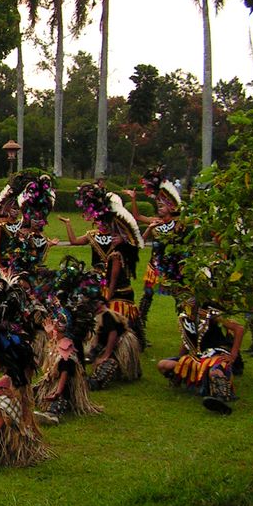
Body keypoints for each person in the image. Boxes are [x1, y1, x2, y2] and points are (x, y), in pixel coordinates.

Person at [0, 270, 51, 470]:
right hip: (17, 380)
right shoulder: (11, 337)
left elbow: (7, 415)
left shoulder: (17, 342)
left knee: (4, 404)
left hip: (15, 400)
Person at [60, 184, 147, 348]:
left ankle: (133, 339)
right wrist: (68, 224)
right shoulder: (92, 235)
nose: (101, 224)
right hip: (97, 279)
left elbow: (135, 243)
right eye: (98, 221)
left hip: (115, 281)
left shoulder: (120, 241)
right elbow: (74, 242)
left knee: (124, 313)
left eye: (103, 221)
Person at [157, 295, 244, 414]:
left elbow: (239, 329)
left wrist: (233, 355)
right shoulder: (187, 318)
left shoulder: (211, 314)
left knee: (215, 372)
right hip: (197, 356)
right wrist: (181, 362)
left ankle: (222, 399)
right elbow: (187, 341)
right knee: (163, 365)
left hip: (217, 354)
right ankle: (190, 384)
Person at [123, 166, 186, 330]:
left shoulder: (177, 224)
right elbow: (136, 217)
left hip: (172, 265)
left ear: (171, 207)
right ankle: (140, 323)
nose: (159, 207)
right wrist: (134, 199)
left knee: (179, 295)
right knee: (147, 294)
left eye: (162, 205)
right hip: (155, 265)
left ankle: (185, 320)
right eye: (158, 204)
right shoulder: (154, 221)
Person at [85, 296, 143, 389]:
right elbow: (98, 334)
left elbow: (113, 334)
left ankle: (98, 381)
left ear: (101, 303)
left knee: (108, 362)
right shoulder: (98, 316)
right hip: (107, 342)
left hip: (120, 342)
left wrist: (106, 355)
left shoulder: (107, 315)